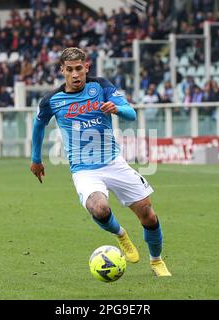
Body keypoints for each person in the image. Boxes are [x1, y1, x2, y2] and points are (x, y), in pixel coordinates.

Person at [30, 47, 171, 277]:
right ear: (62, 71)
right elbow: (38, 126)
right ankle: (120, 234)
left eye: (79, 69)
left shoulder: (101, 86)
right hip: (84, 171)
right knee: (100, 208)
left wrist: (116, 109)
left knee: (148, 214)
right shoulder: (52, 100)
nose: (75, 75)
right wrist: (36, 159)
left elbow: (131, 113)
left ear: (86, 67)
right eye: (70, 70)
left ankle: (156, 261)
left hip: (114, 163)